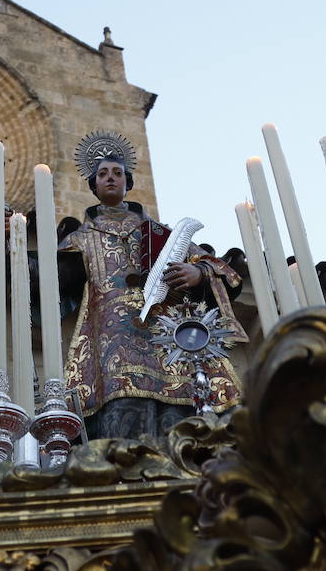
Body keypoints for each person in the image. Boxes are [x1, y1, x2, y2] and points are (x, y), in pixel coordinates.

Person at [58, 131, 247, 440]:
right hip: (111, 341)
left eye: (117, 173)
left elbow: (224, 272)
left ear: (128, 183)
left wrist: (197, 273)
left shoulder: (162, 234)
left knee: (182, 408)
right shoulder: (79, 239)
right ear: (93, 186)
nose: (110, 179)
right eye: (102, 174)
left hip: (168, 335)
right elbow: (55, 279)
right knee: (122, 407)